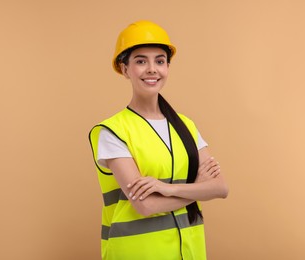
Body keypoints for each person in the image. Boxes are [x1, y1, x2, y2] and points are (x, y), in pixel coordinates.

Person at [89, 20, 228, 260]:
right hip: (137, 254)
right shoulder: (112, 131)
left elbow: (221, 188)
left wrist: (166, 188)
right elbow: (146, 206)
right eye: (141, 61)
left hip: (189, 252)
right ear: (124, 69)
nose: (152, 69)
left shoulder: (185, 125)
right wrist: (199, 188)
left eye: (160, 61)